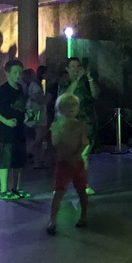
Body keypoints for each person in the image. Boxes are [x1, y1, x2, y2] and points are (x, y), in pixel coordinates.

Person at [47, 93, 90, 235]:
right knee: (58, 192)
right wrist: (68, 157)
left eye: (74, 106)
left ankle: (83, 216)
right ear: (60, 109)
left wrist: (75, 156)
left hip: (76, 163)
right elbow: (56, 143)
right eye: (67, 106)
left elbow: (84, 142)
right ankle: (53, 221)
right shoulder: (56, 125)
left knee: (82, 191)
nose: (71, 109)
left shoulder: (80, 125)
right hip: (64, 163)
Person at [0, 59, 29, 200]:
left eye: (20, 72)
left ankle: (17, 188)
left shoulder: (20, 88)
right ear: (7, 73)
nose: (18, 75)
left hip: (19, 129)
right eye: (15, 72)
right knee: (7, 159)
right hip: (7, 131)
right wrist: (5, 121)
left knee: (19, 160)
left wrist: (27, 116)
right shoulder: (3, 90)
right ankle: (4, 190)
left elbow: (21, 107)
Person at [57, 57, 98, 191]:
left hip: (85, 123)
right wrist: (76, 80)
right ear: (67, 69)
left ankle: (83, 184)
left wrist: (90, 78)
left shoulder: (85, 82)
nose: (76, 69)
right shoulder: (64, 82)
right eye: (72, 66)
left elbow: (96, 95)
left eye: (77, 66)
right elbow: (66, 96)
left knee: (83, 155)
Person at [22, 67, 46, 168]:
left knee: (31, 136)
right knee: (39, 137)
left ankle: (35, 159)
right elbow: (39, 99)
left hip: (30, 112)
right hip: (37, 113)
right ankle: (34, 155)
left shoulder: (26, 86)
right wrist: (47, 99)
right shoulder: (34, 86)